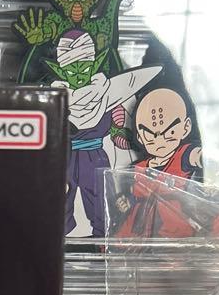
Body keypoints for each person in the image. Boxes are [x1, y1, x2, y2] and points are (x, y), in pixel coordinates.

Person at [49, 29, 161, 236]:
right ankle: (56, 239)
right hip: (65, 157)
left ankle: (101, 239)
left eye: (84, 68)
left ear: (94, 65)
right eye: (72, 71)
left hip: (96, 157)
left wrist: (129, 139)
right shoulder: (54, 98)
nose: (79, 75)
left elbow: (118, 133)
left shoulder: (107, 96)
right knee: (60, 202)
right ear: (62, 71)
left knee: (100, 202)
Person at [115, 86, 202, 237]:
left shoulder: (183, 155)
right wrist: (124, 202)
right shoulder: (137, 168)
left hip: (173, 228)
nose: (159, 140)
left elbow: (197, 156)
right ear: (140, 137)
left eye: (170, 132)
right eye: (149, 135)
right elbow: (130, 197)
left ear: (186, 127)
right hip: (137, 229)